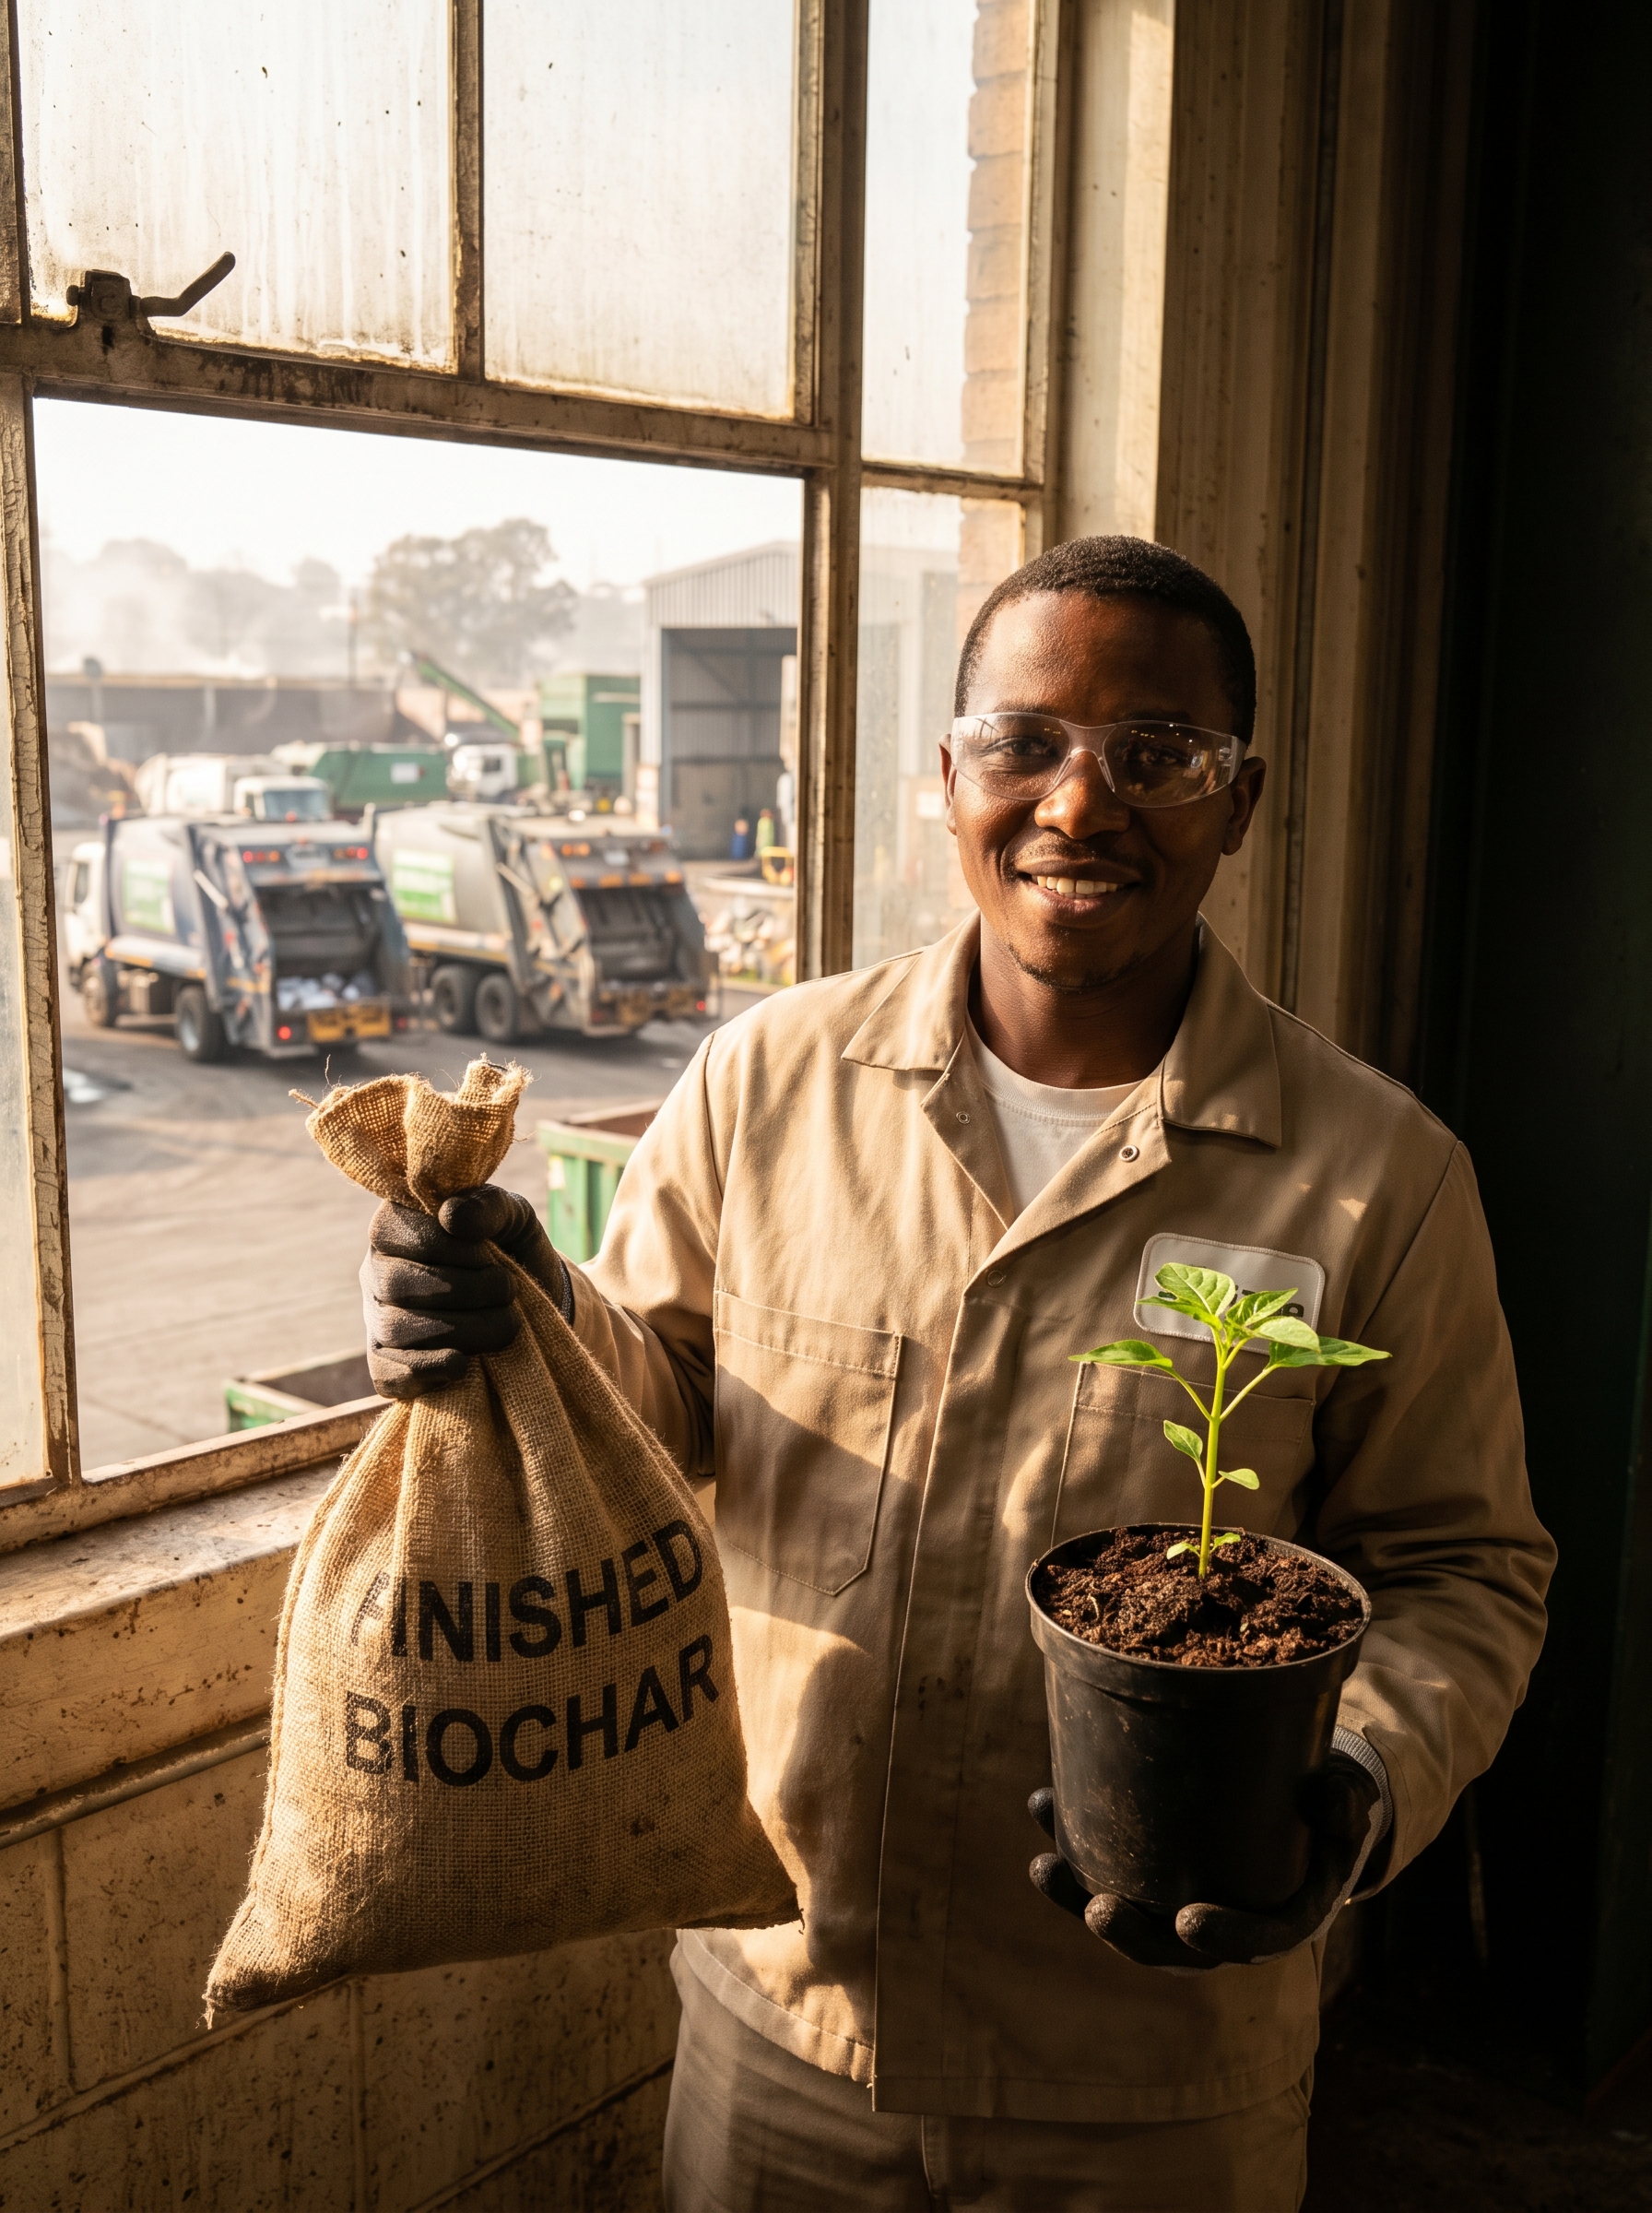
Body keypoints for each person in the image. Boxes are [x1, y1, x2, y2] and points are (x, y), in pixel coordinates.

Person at [360, 537, 1552, 2212]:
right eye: (1026, 742)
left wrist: (1352, 1790)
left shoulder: (1377, 1177)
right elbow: (661, 1414)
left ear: (1243, 798)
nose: (1082, 804)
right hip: (788, 2019)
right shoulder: (770, 1086)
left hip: (1150, 2078)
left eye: (1158, 754)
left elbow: (1465, 1573)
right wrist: (522, 1313)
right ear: (948, 776)